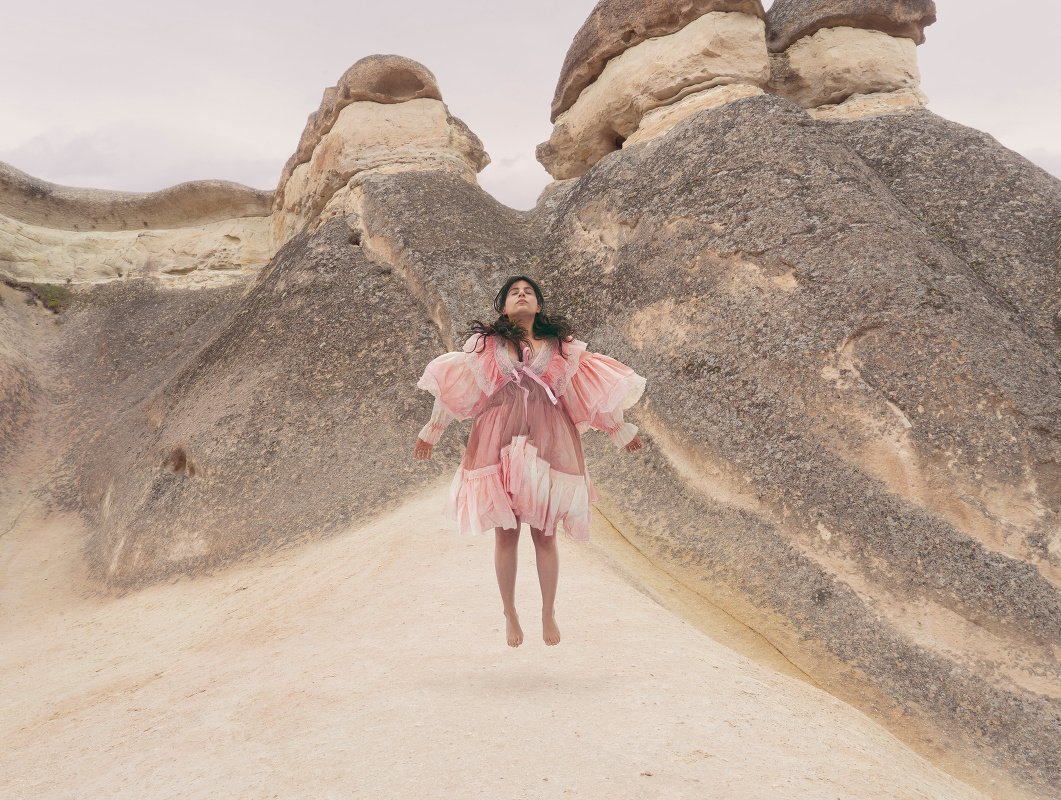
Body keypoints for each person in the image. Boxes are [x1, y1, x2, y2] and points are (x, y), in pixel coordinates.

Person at [414, 276, 646, 647]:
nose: (521, 295)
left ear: (538, 306)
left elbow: (589, 390)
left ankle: (547, 611)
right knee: (506, 533)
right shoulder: (486, 347)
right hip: (497, 441)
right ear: (504, 307)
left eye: (529, 292)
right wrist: (433, 430)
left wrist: (619, 430)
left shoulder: (561, 348)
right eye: (513, 292)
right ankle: (509, 612)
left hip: (548, 442)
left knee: (545, 532)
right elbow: (457, 387)